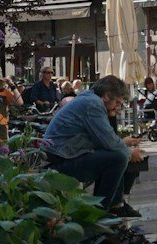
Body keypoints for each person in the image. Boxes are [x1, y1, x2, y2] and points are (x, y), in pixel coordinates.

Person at [38, 75, 144, 217]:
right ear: (106, 96)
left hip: (64, 155)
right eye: (117, 103)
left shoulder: (89, 99)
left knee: (117, 154)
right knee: (119, 157)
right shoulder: (93, 104)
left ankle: (116, 205)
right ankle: (101, 211)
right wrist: (130, 153)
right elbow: (109, 141)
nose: (118, 108)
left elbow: (106, 141)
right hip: (59, 162)